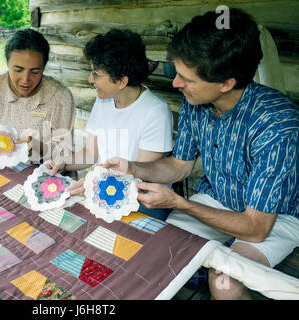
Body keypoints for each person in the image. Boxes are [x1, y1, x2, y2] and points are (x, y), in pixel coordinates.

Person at [103, 8, 298, 300]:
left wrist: (179, 204)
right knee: (158, 251)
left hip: (274, 216)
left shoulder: (278, 125)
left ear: (226, 83)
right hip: (218, 197)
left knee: (225, 283)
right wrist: (133, 167)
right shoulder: (195, 102)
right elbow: (179, 165)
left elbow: (255, 228)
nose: (175, 84)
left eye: (186, 79)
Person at [45, 29, 173, 220]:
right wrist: (63, 163)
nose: (90, 80)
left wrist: (92, 184)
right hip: (104, 190)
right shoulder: (104, 100)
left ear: (121, 81)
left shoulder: (155, 111)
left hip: (141, 201)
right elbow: (90, 153)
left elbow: (142, 177)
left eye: (96, 74)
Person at [0, 28, 75, 162]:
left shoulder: (59, 97)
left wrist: (37, 146)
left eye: (35, 72)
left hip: (41, 174)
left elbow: (64, 156)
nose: (25, 79)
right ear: (7, 63)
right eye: (18, 70)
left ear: (44, 67)